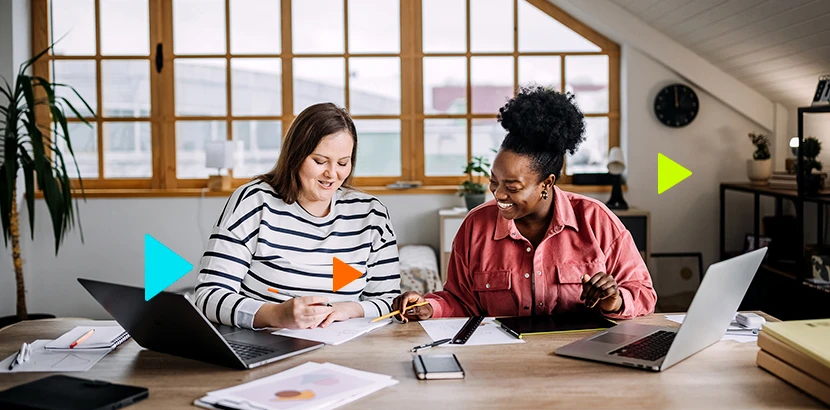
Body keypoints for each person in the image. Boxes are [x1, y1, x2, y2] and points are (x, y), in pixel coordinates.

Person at [392, 86, 656, 321]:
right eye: (494, 181)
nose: (498, 194)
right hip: (502, 360)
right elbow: (461, 300)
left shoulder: (595, 220)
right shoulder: (476, 226)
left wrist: (616, 300)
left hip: (582, 361)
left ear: (547, 183)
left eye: (513, 187)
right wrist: (430, 306)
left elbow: (644, 295)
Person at [195, 103, 401, 330]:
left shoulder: (371, 215)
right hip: (266, 346)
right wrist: (274, 314)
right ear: (296, 155)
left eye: (343, 163)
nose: (332, 174)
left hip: (344, 348)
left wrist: (347, 309)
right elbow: (209, 296)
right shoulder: (254, 201)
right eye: (320, 161)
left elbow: (390, 303)